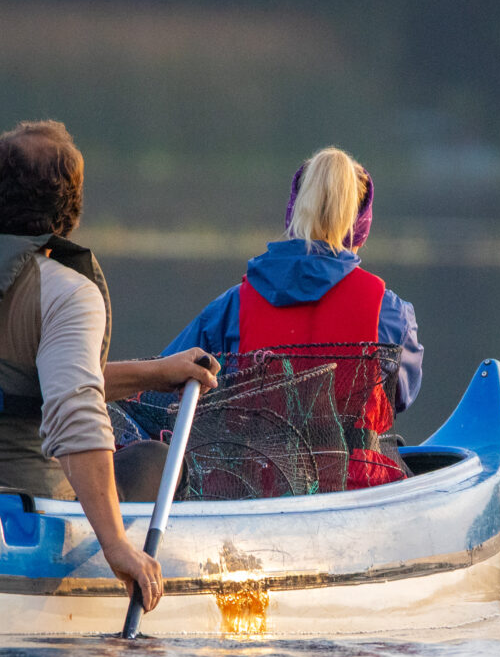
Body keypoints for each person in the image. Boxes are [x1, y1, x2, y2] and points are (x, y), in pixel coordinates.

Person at [0, 119, 217, 612]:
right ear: (68, 209)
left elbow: (20, 383)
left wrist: (157, 373)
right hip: (1, 514)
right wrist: (116, 546)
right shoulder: (65, 291)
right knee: (154, 462)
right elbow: (74, 417)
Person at [161, 146, 423, 443]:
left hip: (251, 479)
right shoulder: (388, 310)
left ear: (294, 211)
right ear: (361, 224)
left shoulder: (233, 305)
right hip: (352, 478)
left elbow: (162, 376)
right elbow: (402, 396)